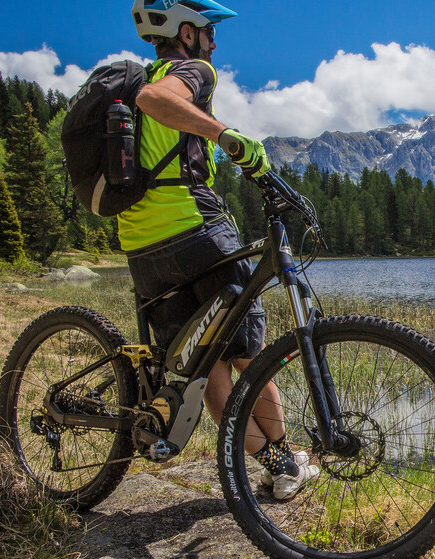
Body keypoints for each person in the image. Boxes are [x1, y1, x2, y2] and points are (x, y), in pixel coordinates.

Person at [126, 0, 316, 500]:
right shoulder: (192, 72)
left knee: (205, 365)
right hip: (195, 230)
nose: (215, 43)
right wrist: (223, 133)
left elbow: (152, 105)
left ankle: (277, 464)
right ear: (186, 33)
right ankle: (285, 464)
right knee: (249, 354)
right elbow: (154, 98)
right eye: (210, 32)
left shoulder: (136, 83)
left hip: (142, 247)